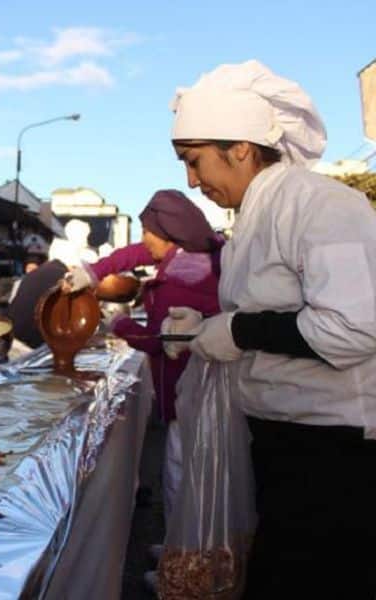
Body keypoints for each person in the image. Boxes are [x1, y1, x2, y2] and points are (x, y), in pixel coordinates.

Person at [166, 60, 376, 599]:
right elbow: (276, 312)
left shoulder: (321, 205)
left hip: (337, 450)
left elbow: (356, 328)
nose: (191, 180)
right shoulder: (251, 220)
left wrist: (238, 331)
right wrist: (207, 328)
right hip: (283, 439)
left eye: (194, 161)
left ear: (240, 146)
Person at [65, 190, 223, 587]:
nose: (144, 241)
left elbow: (159, 341)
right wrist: (94, 271)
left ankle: (185, 572)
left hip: (194, 395)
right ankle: (178, 546)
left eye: (149, 233)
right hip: (187, 392)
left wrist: (120, 326)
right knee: (185, 478)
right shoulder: (191, 255)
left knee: (185, 480)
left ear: (168, 234)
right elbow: (134, 254)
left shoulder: (185, 278)